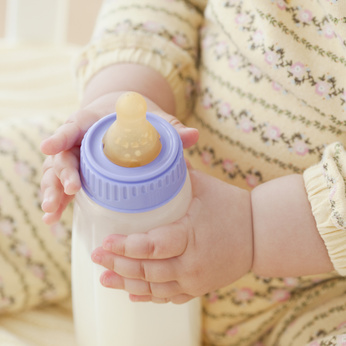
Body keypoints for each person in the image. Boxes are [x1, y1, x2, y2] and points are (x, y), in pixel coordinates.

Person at [40, 0, 346, 345]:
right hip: (116, 215)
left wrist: (251, 229)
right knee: (33, 183)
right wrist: (120, 92)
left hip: (311, 290)